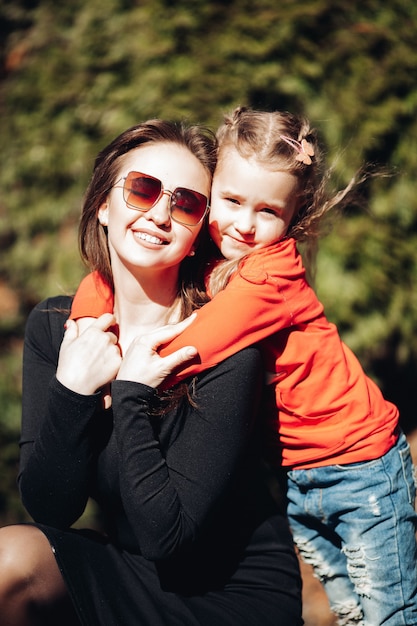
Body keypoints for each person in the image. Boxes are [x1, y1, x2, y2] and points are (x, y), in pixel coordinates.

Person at [70, 107, 417, 626]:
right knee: (350, 613)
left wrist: (116, 376)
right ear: (210, 194)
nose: (246, 225)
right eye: (230, 201)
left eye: (268, 212)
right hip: (302, 474)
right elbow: (109, 274)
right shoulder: (212, 252)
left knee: (388, 614)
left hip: (362, 465)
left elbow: (199, 344)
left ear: (292, 215)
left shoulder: (271, 274)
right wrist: (85, 325)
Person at [0, 119, 304, 626]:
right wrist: (74, 389)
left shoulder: (223, 342)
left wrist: (131, 393)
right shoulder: (59, 330)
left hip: (230, 596)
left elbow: (169, 536)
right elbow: (50, 507)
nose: (160, 214)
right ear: (103, 204)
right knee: (11, 560)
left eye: (185, 203)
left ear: (198, 232)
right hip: (131, 567)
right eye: (143, 189)